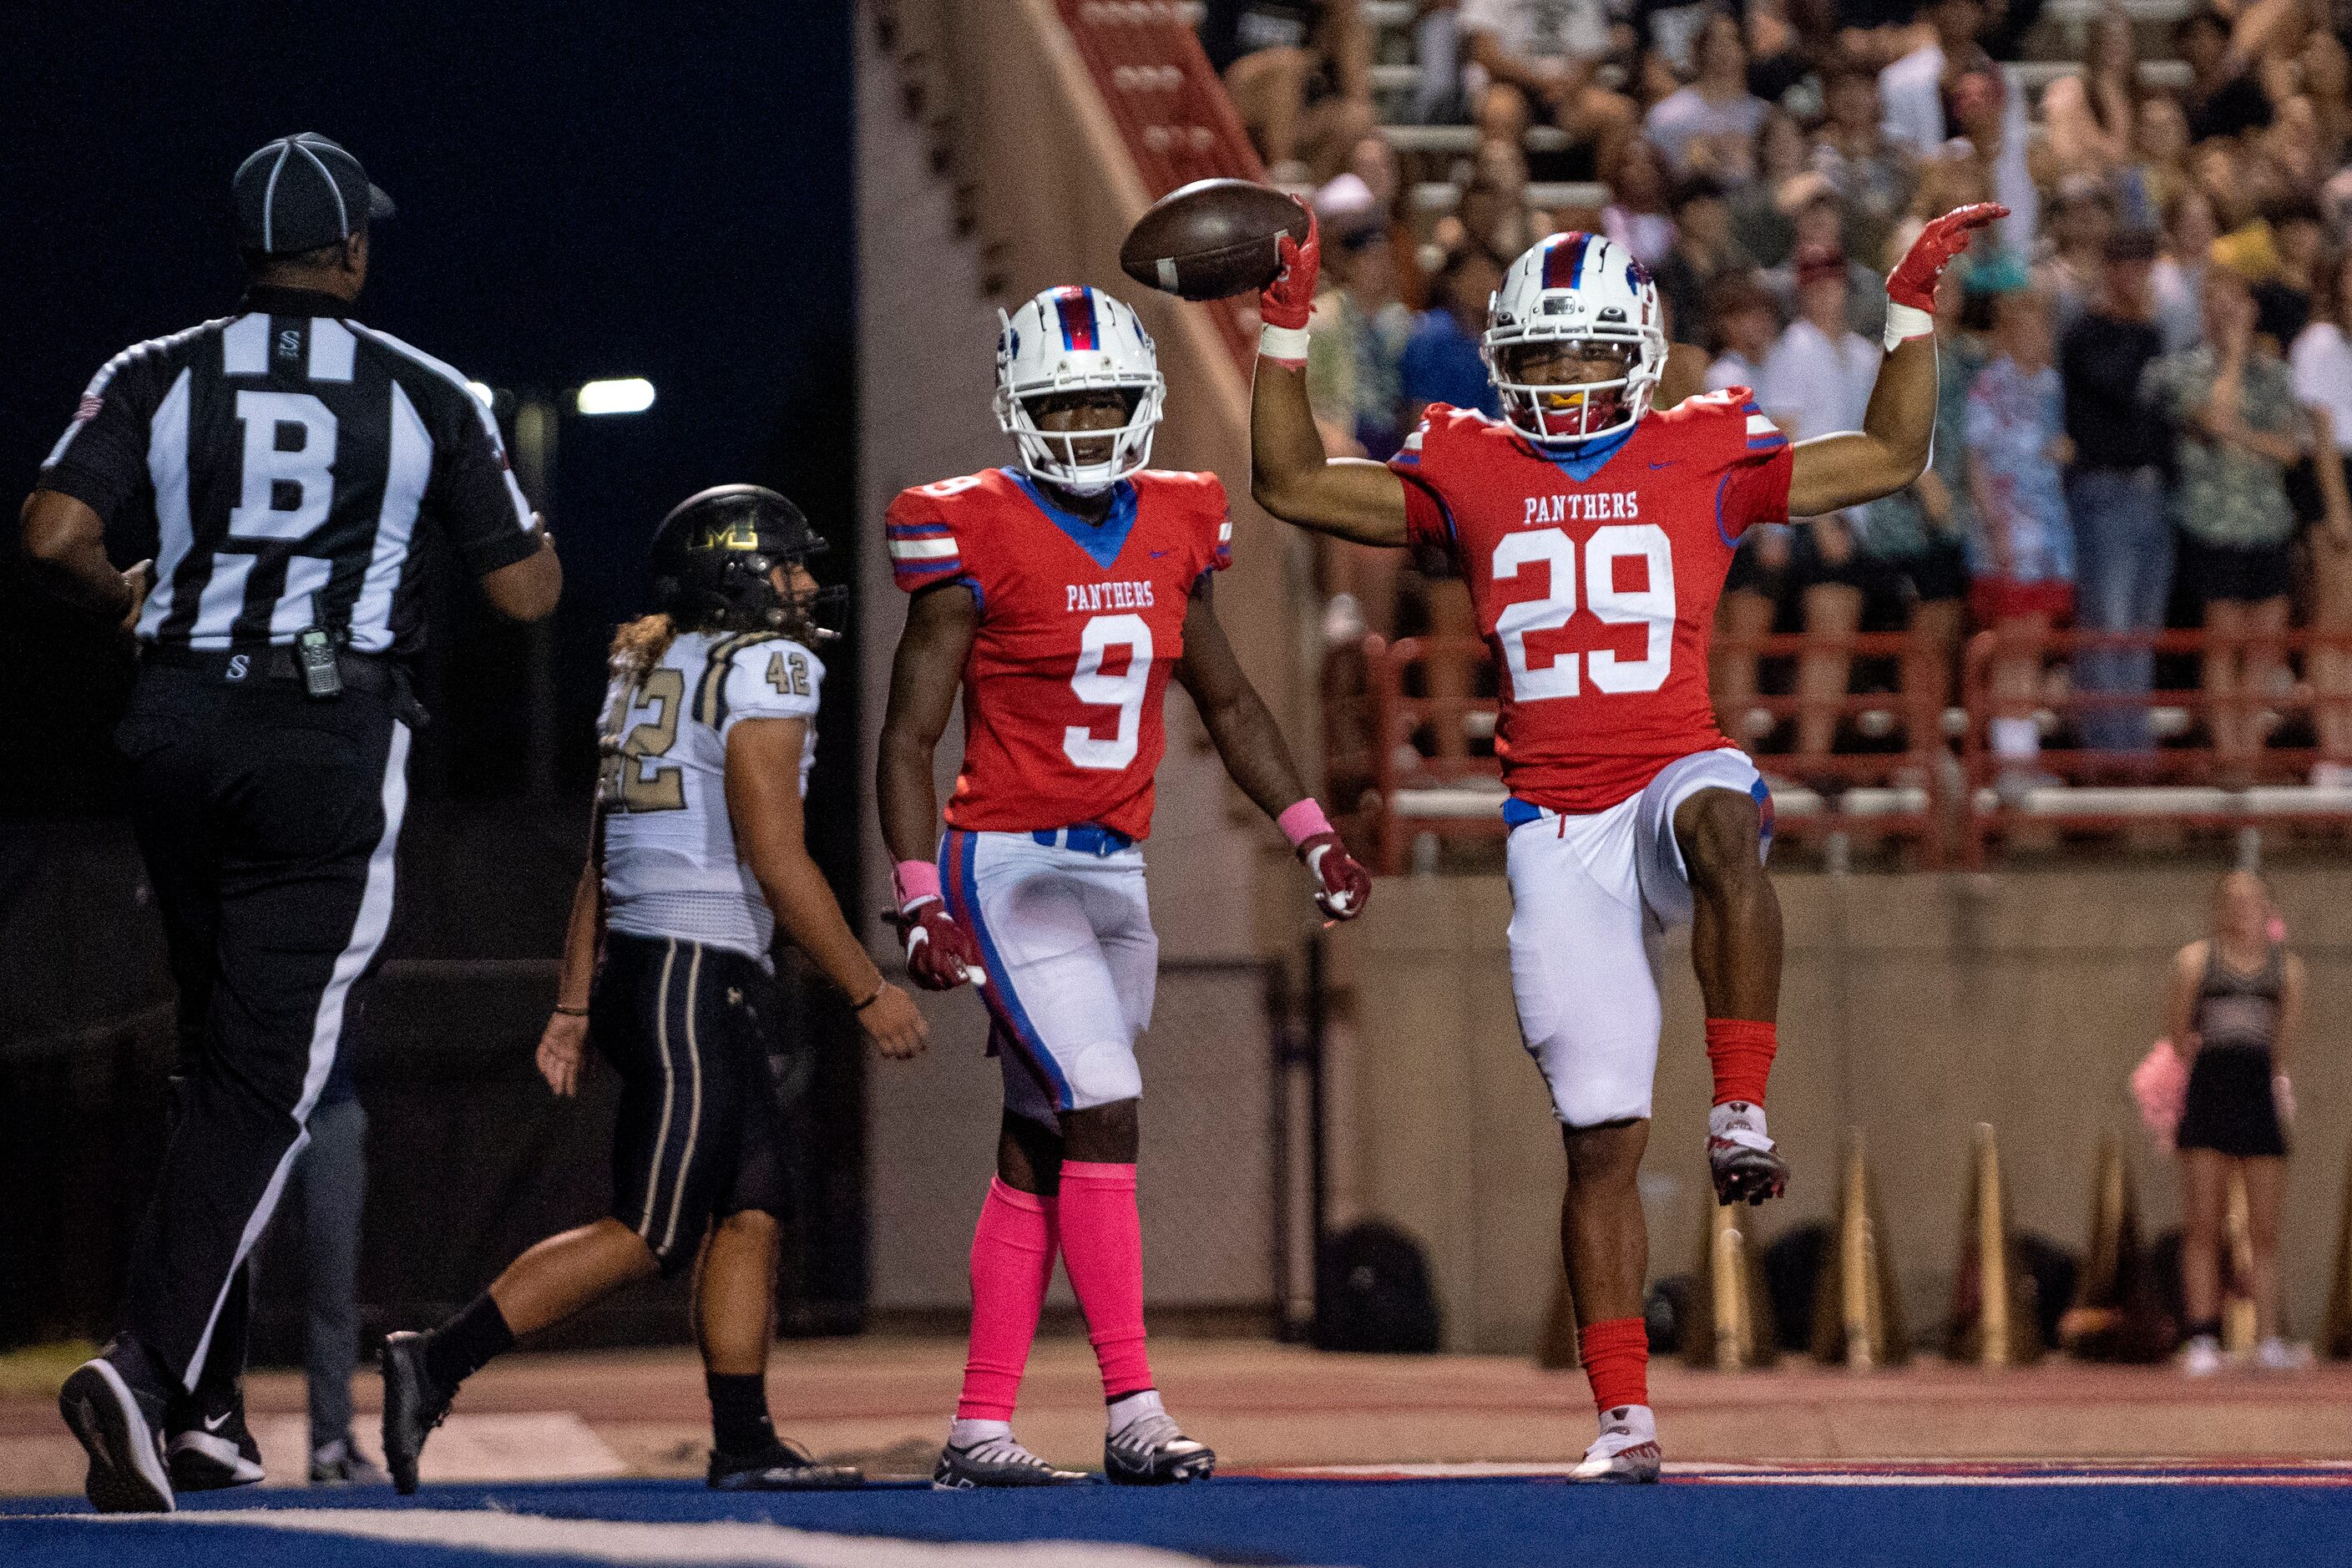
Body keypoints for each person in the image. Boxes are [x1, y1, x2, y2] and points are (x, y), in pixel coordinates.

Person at [1249, 200, 2004, 1479]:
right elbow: (1290, 483)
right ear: (1505, 362)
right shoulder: (1468, 463)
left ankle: (1743, 1107)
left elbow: (1885, 455)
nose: (1566, 378)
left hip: (1665, 773)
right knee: (1599, 1138)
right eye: (1542, 357)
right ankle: (1624, 1416)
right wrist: (1281, 339)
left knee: (1724, 811)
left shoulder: (1702, 447)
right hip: (1555, 825)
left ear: (1638, 351)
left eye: (1590, 351)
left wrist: (1912, 310)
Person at [21, 134, 561, 1514]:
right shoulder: (425, 388)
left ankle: (198, 1408)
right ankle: (144, 1371)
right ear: (355, 252)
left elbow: (49, 532)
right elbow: (525, 595)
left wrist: (124, 585)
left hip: (174, 725)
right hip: (320, 732)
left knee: (212, 1066)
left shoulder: (157, 366)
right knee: (275, 1079)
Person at [876, 286, 1372, 1489]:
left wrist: (1310, 830)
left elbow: (1232, 699)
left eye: (1106, 397)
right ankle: (1134, 1406)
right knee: (1102, 1094)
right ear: (1017, 407)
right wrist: (915, 896)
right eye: (1064, 401)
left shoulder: (1178, 517)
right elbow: (906, 737)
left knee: (1041, 1141)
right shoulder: (965, 527)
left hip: (1115, 867)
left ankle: (977, 1426)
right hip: (1006, 860)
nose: (1090, 421)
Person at [380, 487, 928, 1495]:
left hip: (660, 967)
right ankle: (436, 1359)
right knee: (654, 1228)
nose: (805, 584)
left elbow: (605, 852)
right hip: (690, 969)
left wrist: (577, 1001)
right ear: (736, 578)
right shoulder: (771, 664)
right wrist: (866, 990)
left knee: (754, 1206)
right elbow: (775, 854)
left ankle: (746, 1441)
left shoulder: (648, 665)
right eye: (786, 567)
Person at [2145, 266, 2305, 781]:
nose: (2225, 312)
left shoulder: (2280, 375)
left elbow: (2288, 451)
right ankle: (2229, 758)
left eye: (2234, 302)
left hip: (2268, 523)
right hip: (2212, 524)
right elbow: (2213, 418)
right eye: (2215, 303)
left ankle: (2249, 757)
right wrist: (2234, 360)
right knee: (2223, 641)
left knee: (2264, 645)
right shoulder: (2185, 369)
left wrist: (2241, 435)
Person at [2167, 872, 2304, 1375]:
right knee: (2203, 1222)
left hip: (2257, 1096)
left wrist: (2263, 1086)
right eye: (2234, 901)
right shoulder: (2195, 962)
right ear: (2219, 908)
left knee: (2265, 1229)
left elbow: (2281, 1045)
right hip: (2209, 1092)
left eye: (2254, 899)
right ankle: (2203, 1337)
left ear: (2268, 907)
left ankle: (2268, 1339)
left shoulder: (2286, 970)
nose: (2245, 908)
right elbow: (2179, 1033)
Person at [1762, 242, 1883, 783]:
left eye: (1833, 283)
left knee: (1838, 638)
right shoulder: (1794, 348)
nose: (1827, 293)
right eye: (1817, 284)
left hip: (1856, 511)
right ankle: (1810, 758)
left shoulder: (1859, 353)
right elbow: (1781, 443)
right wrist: (1822, 518)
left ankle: (1819, 751)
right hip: (1816, 512)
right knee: (1827, 635)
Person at [2061, 228, 2175, 766]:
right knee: (2109, 628)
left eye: (2142, 264)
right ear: (2108, 269)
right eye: (2125, 264)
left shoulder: (2153, 332)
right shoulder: (2087, 333)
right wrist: (2147, 329)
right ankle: (2111, 761)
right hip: (2105, 490)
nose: (2136, 275)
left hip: (2154, 494)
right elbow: (2121, 386)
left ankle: (2135, 755)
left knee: (2142, 631)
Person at [1965, 287, 2075, 798]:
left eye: (2042, 327)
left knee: (2034, 644)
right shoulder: (1990, 386)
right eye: (2026, 328)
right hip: (2009, 533)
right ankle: (2010, 758)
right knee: (2012, 645)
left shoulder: (2053, 386)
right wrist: (1995, 526)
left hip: (2049, 533)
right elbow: (1977, 461)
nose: (2037, 338)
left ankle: (2024, 753)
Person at [2289, 250, 2352, 781]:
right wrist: (2337, 510)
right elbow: (2321, 433)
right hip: (2338, 480)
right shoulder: (2318, 345)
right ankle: (2334, 755)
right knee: (2335, 623)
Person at [1459, 0, 1640, 180]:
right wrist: (1540, 82)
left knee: (1620, 113)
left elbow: (1592, 53)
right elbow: (1486, 54)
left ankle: (1606, 206)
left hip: (1570, 92)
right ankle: (1502, 204)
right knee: (1499, 112)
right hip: (1511, 87)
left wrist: (1567, 85)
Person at [1201, 0, 1376, 184]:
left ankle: (1309, 201)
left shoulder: (1328, 14)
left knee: (1355, 119)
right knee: (1285, 69)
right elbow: (1211, 64)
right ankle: (1281, 173)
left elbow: (1354, 94)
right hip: (1237, 95)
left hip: (1300, 110)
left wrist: (1344, 20)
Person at [1641, 13, 1768, 180]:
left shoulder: (1762, 115)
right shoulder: (1667, 115)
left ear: (1746, 51)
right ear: (1700, 49)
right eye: (1715, 42)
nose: (1724, 50)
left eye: (1733, 40)